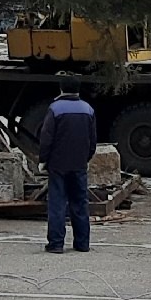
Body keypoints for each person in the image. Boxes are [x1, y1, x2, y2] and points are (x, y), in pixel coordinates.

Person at [37, 82, 97, 254]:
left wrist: (43, 159)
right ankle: (82, 243)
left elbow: (46, 137)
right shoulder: (88, 109)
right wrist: (86, 158)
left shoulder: (55, 109)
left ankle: (56, 244)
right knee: (80, 203)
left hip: (58, 164)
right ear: (78, 89)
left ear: (61, 89)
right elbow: (92, 140)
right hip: (79, 164)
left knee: (57, 203)